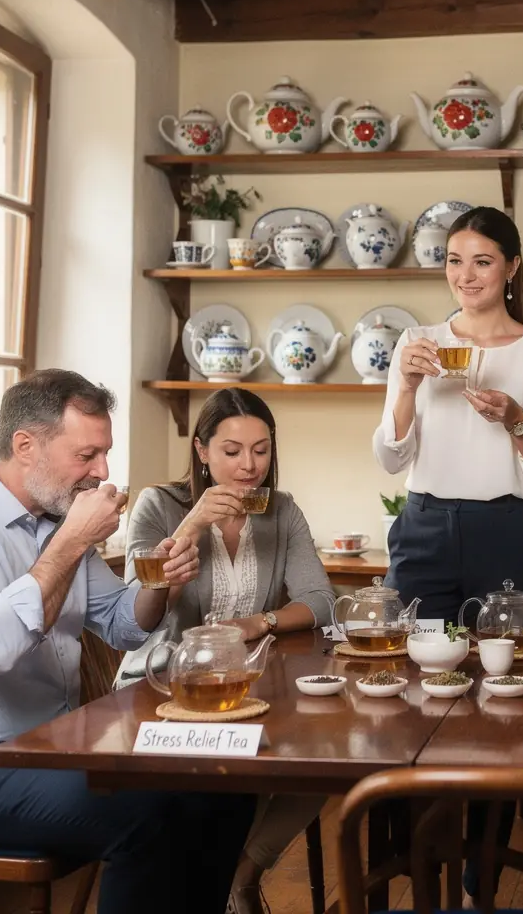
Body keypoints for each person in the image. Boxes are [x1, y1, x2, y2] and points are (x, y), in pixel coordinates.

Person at [0, 369, 255, 914]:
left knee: (223, 785)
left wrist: (160, 581)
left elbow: (125, 624)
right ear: (25, 446)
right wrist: (73, 539)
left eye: (104, 455)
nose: (102, 474)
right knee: (148, 808)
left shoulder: (53, 522)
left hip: (52, 750)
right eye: (86, 456)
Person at [373, 205, 523, 905]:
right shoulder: (418, 341)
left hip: (507, 530)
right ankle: (411, 865)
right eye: (454, 261)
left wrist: (517, 420)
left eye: (482, 261)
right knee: (407, 690)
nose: (466, 275)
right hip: (424, 527)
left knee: (505, 696)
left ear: (512, 268)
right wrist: (403, 383)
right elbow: (391, 454)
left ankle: (481, 873)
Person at [116, 387, 334, 914]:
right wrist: (192, 526)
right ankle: (205, 880)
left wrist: (257, 623)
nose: (249, 466)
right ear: (201, 450)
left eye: (261, 450)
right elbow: (139, 615)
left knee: (331, 756)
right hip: (160, 687)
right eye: (232, 451)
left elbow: (322, 602)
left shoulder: (279, 511)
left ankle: (242, 870)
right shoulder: (159, 506)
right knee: (221, 785)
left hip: (246, 687)